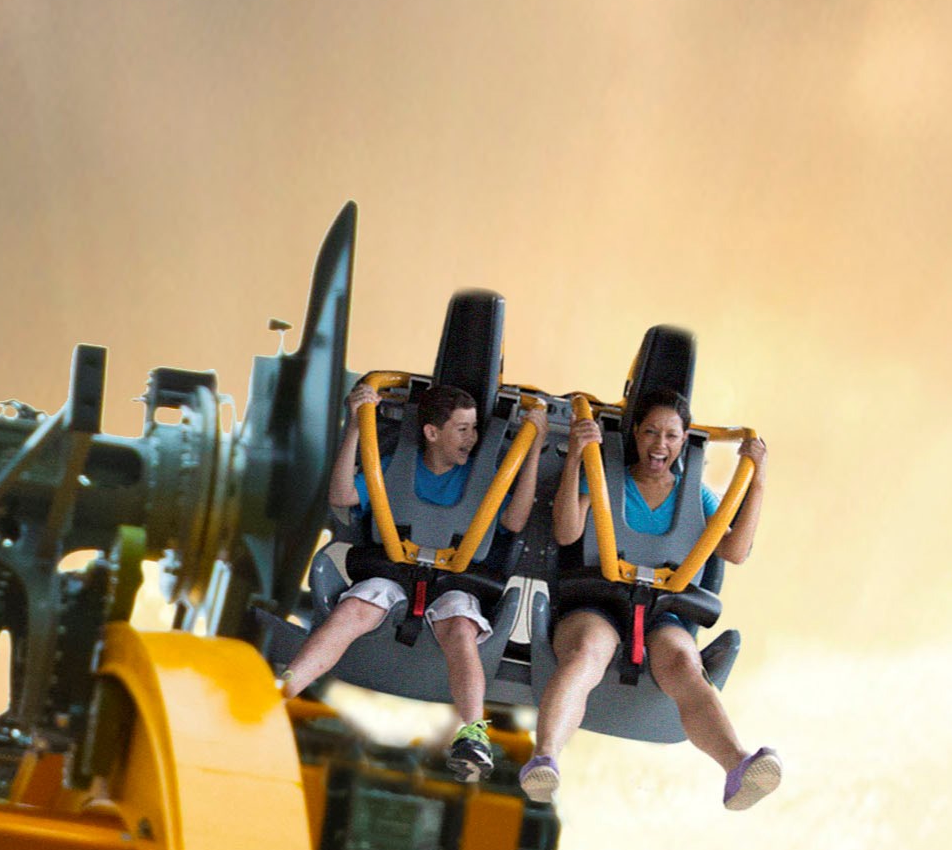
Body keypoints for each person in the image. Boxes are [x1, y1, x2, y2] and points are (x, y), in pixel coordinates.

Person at [518, 327, 779, 811]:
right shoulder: (607, 476)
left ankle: (739, 766)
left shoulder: (695, 496)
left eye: (671, 436)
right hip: (597, 600)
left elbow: (736, 551)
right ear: (635, 434)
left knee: (684, 665)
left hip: (664, 612)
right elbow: (567, 533)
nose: (660, 445)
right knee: (588, 652)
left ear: (684, 441)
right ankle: (545, 759)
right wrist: (577, 456)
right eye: (651, 433)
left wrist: (757, 481)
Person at [274, 294, 537, 761]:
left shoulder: (482, 480)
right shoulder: (392, 466)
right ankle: (283, 692)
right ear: (432, 433)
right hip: (391, 571)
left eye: (475, 429)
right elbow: (341, 498)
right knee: (352, 611)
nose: (472, 439)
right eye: (462, 429)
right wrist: (356, 427)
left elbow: (514, 521)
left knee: (460, 627)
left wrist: (532, 448)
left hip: (456, 580)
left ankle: (473, 732)